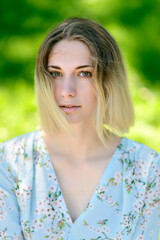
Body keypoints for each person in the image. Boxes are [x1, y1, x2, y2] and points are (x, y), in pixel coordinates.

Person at [0, 17, 159, 240]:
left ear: (108, 81)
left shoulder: (147, 170)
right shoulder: (9, 164)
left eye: (84, 73)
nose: (67, 91)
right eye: (56, 73)